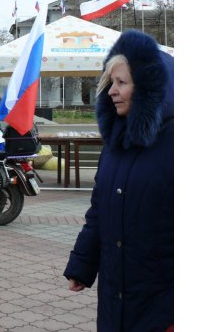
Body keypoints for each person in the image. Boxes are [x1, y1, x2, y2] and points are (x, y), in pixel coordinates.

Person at [64, 30, 173, 332]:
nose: (112, 90)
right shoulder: (114, 146)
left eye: (122, 82)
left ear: (151, 87)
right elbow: (99, 212)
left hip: (163, 308)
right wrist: (82, 266)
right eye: (110, 82)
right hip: (115, 300)